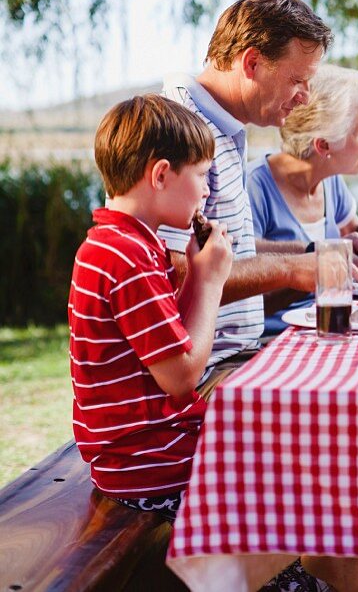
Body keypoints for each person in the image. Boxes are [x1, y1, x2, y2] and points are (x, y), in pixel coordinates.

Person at [159, 0, 358, 365]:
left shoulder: (222, 129)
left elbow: (231, 249)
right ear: (252, 62)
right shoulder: (181, 131)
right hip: (211, 371)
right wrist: (291, 269)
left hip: (241, 355)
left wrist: (323, 251)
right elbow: (172, 271)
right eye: (298, 80)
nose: (305, 98)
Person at [69, 94, 233, 519]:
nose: (207, 189)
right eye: (202, 175)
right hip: (151, 468)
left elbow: (165, 344)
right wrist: (211, 281)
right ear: (161, 174)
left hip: (143, 457)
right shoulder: (127, 256)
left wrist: (196, 273)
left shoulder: (118, 243)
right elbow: (180, 376)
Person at [247, 64, 358, 333]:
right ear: (323, 145)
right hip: (273, 341)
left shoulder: (330, 180)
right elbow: (241, 292)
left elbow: (354, 243)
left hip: (326, 326)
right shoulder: (254, 187)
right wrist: (320, 268)